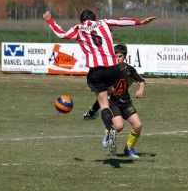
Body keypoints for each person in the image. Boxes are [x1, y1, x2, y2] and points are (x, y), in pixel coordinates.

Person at [43, 10, 155, 153]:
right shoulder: (104, 22)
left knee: (104, 104)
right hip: (113, 69)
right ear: (95, 18)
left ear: (82, 20)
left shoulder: (79, 29)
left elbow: (61, 34)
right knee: (111, 92)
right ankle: (103, 114)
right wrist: (141, 22)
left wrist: (50, 21)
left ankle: (109, 128)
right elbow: (122, 21)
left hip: (96, 71)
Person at [83, 44, 145, 158]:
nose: (118, 59)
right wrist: (107, 88)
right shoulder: (109, 71)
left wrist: (140, 89)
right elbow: (101, 92)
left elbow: (141, 81)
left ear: (124, 56)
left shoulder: (129, 69)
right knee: (119, 127)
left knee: (138, 125)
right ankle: (108, 132)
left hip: (126, 102)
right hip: (112, 102)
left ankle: (129, 149)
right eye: (115, 56)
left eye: (120, 56)